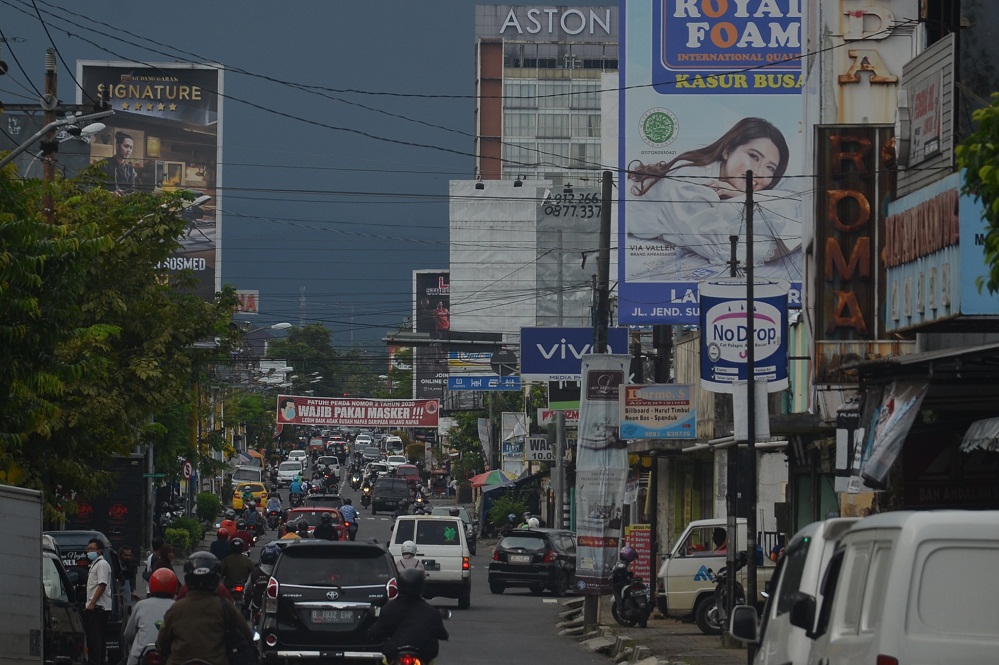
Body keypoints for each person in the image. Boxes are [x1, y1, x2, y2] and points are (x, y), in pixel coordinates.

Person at [626, 117, 800, 282]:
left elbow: (795, 203)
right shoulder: (690, 184)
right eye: (753, 157)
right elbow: (725, 251)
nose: (760, 172)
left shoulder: (723, 183)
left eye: (770, 168)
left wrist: (742, 196)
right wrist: (792, 241)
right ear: (727, 150)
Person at [157, 552, 252, 665]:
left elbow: (162, 643)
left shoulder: (176, 608)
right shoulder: (224, 607)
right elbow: (246, 635)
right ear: (215, 578)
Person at [369, 567, 448, 664]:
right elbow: (441, 633)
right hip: (424, 654)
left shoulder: (389, 608)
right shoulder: (431, 611)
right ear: (421, 587)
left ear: (399, 586)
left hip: (394, 653)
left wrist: (371, 633)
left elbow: (377, 631)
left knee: (384, 661)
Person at [123, 568, 177, 665]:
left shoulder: (141, 605)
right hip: (169, 658)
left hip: (139, 657)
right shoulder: (177, 606)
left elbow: (128, 634)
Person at [84, 538, 113, 665]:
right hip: (97, 607)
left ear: (100, 550)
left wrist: (92, 603)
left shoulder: (102, 564)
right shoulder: (95, 564)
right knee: (97, 638)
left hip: (99, 608)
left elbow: (102, 584)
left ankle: (96, 662)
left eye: (92, 549)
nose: (89, 551)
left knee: (95, 640)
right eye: (88, 549)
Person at [245, 543, 280, 623]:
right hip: (275, 609)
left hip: (257, 607)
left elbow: (247, 590)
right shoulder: (279, 573)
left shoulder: (255, 572)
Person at [118, 545, 140, 610]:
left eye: (129, 555)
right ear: (120, 555)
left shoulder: (129, 566)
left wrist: (131, 593)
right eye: (125, 555)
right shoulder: (117, 567)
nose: (128, 557)